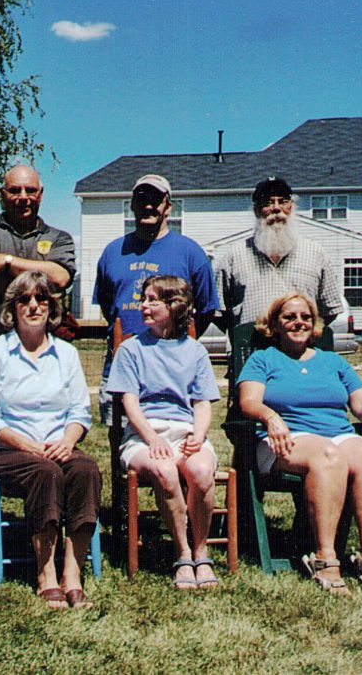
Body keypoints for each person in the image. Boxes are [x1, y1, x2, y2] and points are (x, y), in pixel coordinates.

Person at [237, 292, 362, 594]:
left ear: (314, 325)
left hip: (337, 434)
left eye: (305, 317)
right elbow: (248, 401)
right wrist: (270, 417)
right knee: (328, 455)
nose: (299, 322)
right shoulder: (263, 359)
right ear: (274, 324)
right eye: (289, 317)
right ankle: (325, 557)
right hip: (285, 438)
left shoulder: (333, 362)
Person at [0, 272, 101, 609]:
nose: (33, 306)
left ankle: (72, 575)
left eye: (41, 299)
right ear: (12, 308)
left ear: (52, 307)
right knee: (46, 472)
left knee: (86, 469)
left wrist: (68, 441)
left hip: (57, 446)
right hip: (5, 451)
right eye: (24, 300)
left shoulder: (67, 354)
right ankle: (46, 574)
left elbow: (79, 412)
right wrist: (29, 446)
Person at [106, 275, 221, 589]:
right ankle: (182, 552)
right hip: (144, 435)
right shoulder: (131, 350)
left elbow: (202, 402)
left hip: (185, 431)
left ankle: (201, 549)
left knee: (199, 471)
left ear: (174, 305)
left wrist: (198, 434)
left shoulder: (194, 351)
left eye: (152, 299)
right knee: (165, 471)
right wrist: (152, 438)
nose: (143, 305)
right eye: (144, 298)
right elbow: (129, 402)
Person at [94, 174, 218, 423]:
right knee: (122, 444)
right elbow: (110, 309)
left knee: (179, 445)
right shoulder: (112, 252)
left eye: (155, 200)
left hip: (174, 371)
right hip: (123, 366)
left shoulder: (190, 253)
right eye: (141, 199)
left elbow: (205, 310)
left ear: (168, 206)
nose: (148, 205)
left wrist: (175, 340)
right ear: (131, 204)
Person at [0, 165, 76, 347]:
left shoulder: (59, 238)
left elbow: (61, 278)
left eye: (30, 190)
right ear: (2, 194)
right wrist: (43, 285)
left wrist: (5, 262)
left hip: (43, 346)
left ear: (40, 194)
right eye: (15, 190)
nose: (23, 197)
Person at [216, 177, 344, 331]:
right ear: (256, 210)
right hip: (252, 351)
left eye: (283, 201)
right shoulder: (233, 256)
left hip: (299, 352)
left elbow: (330, 310)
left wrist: (299, 335)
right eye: (268, 202)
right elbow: (218, 313)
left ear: (291, 207)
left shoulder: (317, 254)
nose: (276, 208)